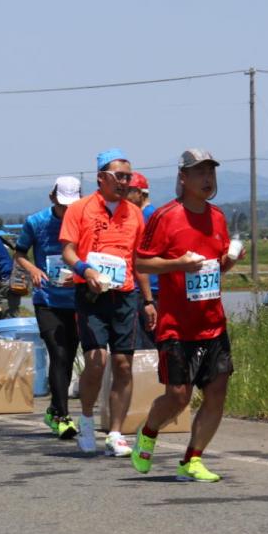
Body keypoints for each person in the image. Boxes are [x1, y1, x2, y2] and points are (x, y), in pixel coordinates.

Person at [131, 149, 243, 482]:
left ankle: (192, 459)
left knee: (217, 391)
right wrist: (178, 264)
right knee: (178, 397)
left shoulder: (218, 217)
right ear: (183, 178)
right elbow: (141, 263)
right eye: (200, 173)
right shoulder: (166, 216)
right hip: (177, 326)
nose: (208, 180)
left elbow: (216, 265)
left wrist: (230, 260)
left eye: (211, 173)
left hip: (213, 323)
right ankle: (149, 432)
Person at [60, 148, 155, 456]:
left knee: (123, 364)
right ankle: (86, 421)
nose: (125, 182)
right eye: (119, 176)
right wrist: (85, 270)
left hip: (125, 294)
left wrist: (149, 300)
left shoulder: (135, 214)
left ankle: (115, 432)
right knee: (97, 359)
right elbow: (68, 251)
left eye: (129, 177)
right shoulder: (80, 209)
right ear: (102, 177)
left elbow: (139, 260)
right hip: (91, 293)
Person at [15, 175, 83, 439]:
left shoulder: (84, 221)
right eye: (62, 204)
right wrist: (32, 269)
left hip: (76, 299)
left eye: (72, 205)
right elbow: (19, 253)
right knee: (58, 353)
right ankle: (64, 417)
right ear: (52, 197)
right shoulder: (36, 222)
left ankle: (54, 410)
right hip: (47, 299)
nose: (67, 211)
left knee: (69, 355)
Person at [125, 172, 158, 349]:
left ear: (139, 192)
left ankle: (146, 377)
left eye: (128, 191)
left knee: (141, 346)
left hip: (144, 289)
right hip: (151, 289)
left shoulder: (145, 217)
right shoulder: (153, 215)